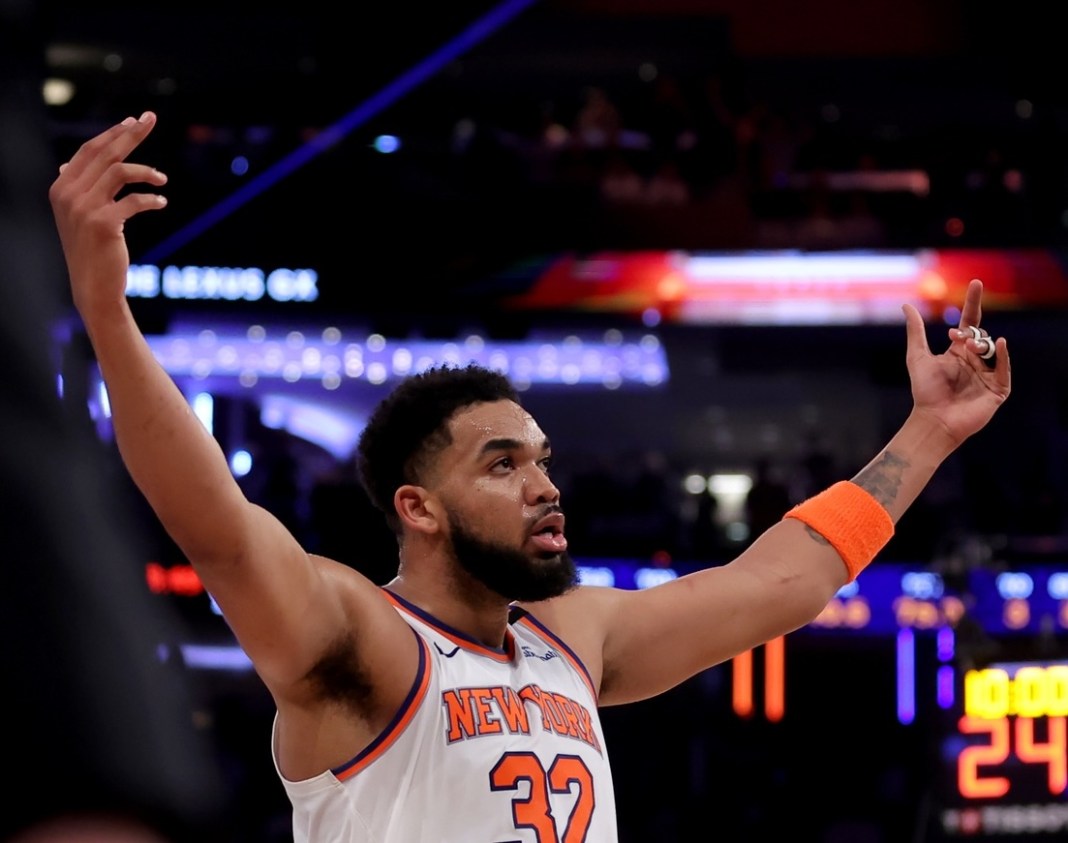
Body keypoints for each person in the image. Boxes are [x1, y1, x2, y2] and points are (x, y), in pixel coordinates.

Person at [48, 111, 1012, 843]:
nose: (544, 484)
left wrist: (928, 432)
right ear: (416, 508)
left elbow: (781, 583)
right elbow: (211, 517)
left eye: (543, 459)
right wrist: (107, 313)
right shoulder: (359, 635)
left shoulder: (575, 635)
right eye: (503, 464)